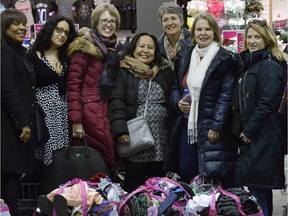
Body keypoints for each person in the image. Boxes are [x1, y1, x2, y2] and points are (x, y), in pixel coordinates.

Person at [167, 12, 238, 185]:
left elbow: (226, 95)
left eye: (207, 29)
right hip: (187, 124)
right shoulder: (185, 56)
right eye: (199, 29)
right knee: (187, 170)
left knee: (212, 176)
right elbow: (175, 84)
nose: (203, 33)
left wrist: (216, 125)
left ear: (215, 32)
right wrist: (178, 102)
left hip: (212, 127)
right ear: (193, 33)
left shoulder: (225, 59)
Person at [232, 18, 288, 216]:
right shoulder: (250, 63)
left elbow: (267, 103)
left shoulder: (270, 65)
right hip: (257, 136)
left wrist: (248, 130)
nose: (252, 41)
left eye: (257, 37)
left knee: (258, 190)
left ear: (266, 39)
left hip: (263, 136)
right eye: (249, 37)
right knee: (259, 188)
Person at [109, 33, 174, 192]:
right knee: (134, 185)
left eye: (150, 47)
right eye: (141, 46)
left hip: (160, 139)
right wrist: (120, 130)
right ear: (134, 48)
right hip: (135, 137)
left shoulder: (164, 71)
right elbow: (117, 101)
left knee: (158, 186)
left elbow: (171, 100)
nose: (145, 50)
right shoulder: (124, 70)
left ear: (156, 51)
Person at [26, 15, 77, 192]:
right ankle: (45, 203)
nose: (62, 34)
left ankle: (60, 200)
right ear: (50, 30)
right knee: (44, 161)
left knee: (60, 161)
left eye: (66, 32)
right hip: (42, 113)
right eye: (59, 30)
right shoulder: (34, 55)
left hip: (62, 114)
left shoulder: (67, 57)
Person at [66, 3, 120, 167]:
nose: (108, 24)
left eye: (112, 21)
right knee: (91, 163)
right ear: (96, 22)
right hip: (88, 112)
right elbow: (73, 86)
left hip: (105, 109)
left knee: (105, 159)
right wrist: (76, 120)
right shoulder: (84, 49)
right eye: (104, 20)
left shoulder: (112, 51)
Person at [1, 8, 37, 215]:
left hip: (13, 125)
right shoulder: (4, 51)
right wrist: (23, 122)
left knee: (11, 177)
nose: (22, 27)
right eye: (16, 23)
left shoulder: (18, 50)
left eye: (23, 23)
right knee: (9, 178)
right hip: (8, 126)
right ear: (4, 27)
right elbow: (7, 90)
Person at [157, 1, 191, 72]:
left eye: (173, 18)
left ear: (181, 21)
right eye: (165, 20)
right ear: (162, 24)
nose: (170, 23)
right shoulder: (157, 46)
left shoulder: (193, 41)